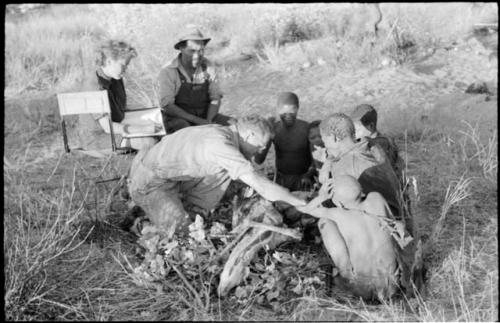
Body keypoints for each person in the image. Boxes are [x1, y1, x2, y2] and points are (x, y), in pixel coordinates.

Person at [126, 114, 306, 238]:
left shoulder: (224, 133)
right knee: (181, 234)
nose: (261, 150)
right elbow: (259, 183)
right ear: (249, 135)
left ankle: (190, 209)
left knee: (228, 170)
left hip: (171, 177)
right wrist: (297, 201)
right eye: (261, 145)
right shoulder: (220, 145)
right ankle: (140, 223)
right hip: (149, 184)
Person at [297, 175, 402, 301]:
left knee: (324, 222)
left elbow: (305, 209)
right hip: (393, 286)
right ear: (361, 191)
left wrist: (322, 196)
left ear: (340, 203)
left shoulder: (339, 214)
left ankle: (346, 274)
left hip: (364, 290)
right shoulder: (377, 198)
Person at [311, 113, 411, 233]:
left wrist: (321, 193)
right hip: (399, 216)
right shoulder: (372, 146)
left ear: (334, 138)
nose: (324, 145)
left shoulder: (344, 167)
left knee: (326, 223)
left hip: (383, 229)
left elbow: (339, 206)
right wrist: (328, 162)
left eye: (324, 140)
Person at [75, 40, 161, 153]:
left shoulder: (115, 78)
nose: (126, 69)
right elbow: (107, 127)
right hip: (98, 138)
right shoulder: (93, 87)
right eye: (123, 65)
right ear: (110, 61)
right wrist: (143, 129)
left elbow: (121, 110)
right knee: (149, 142)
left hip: (116, 127)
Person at [158, 25, 234, 134]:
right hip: (178, 119)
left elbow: (215, 98)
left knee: (235, 126)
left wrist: (209, 121)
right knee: (186, 130)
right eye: (192, 51)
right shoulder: (169, 70)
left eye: (201, 51)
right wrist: (197, 121)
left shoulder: (208, 66)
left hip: (205, 116)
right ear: (181, 49)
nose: (197, 55)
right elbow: (167, 105)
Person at [262, 92, 315, 191]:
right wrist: (267, 134)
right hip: (281, 179)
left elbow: (316, 158)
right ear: (277, 109)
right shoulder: (274, 129)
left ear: (298, 108)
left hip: (304, 180)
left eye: (292, 111)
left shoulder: (306, 128)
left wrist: (308, 175)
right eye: (284, 112)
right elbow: (259, 159)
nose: (288, 116)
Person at [350, 104, 404, 182]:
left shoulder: (381, 143)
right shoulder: (376, 141)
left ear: (371, 126)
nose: (354, 133)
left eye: (357, 129)